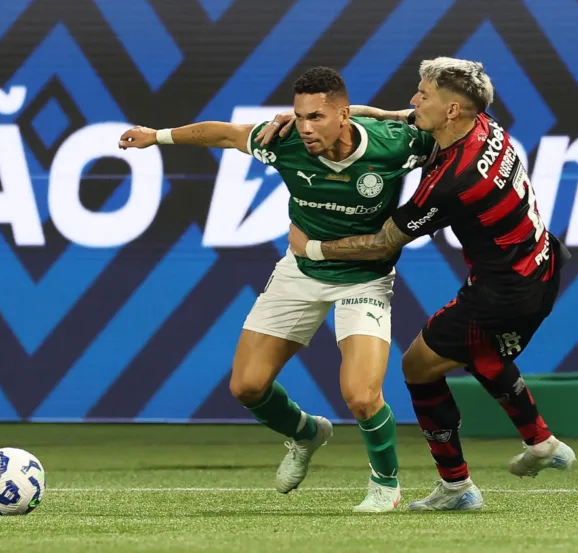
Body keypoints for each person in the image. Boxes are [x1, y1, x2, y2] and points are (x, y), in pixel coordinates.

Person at [118, 66, 435, 512]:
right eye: (300, 116)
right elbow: (225, 135)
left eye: (317, 118)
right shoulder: (281, 141)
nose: (305, 128)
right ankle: (306, 433)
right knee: (246, 387)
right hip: (300, 272)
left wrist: (387, 114)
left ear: (344, 115)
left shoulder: (394, 145)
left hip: (365, 278)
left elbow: (446, 131)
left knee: (362, 396)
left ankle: (386, 483)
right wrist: (159, 135)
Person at [275, 57, 576, 512]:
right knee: (477, 352)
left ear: (451, 109)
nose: (414, 100)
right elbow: (400, 117)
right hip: (541, 265)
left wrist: (313, 249)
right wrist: (335, 117)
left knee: (419, 366)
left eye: (423, 94)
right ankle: (541, 442)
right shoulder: (484, 126)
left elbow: (382, 242)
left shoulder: (455, 181)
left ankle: (459, 487)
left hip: (503, 290)